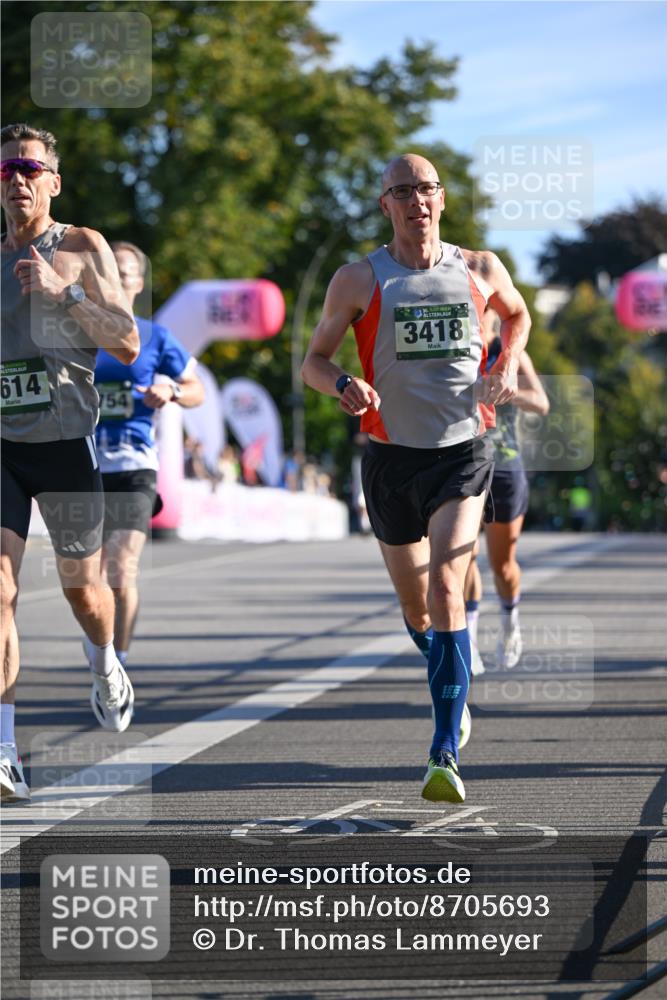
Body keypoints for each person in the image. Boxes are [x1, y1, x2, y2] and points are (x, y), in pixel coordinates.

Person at [302, 153, 530, 804]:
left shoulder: (480, 269)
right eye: (400, 192)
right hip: (388, 456)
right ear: (385, 206)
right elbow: (313, 362)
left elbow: (517, 316)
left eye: (424, 189)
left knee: (444, 591)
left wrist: (507, 361)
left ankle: (443, 751)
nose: (415, 201)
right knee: (414, 609)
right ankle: (448, 680)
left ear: (441, 198)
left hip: (463, 450)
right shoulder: (355, 279)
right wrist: (341, 382)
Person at [0, 123, 140, 801]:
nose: (17, 180)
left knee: (84, 591)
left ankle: (105, 658)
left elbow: (129, 342)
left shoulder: (81, 247)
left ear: (52, 181)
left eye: (29, 168)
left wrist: (66, 293)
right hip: (2, 447)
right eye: (6, 171)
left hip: (65, 443)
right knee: (0, 593)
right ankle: (3, 753)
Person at [92, 240, 204, 677]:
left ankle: (117, 664)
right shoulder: (78, 333)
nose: (116, 280)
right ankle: (100, 647)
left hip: (136, 467)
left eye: (124, 272)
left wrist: (172, 390)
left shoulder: (156, 337)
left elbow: (196, 390)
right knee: (88, 579)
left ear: (137, 283)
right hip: (84, 466)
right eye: (108, 272)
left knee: (121, 570)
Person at [464, 307, 550, 671]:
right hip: (461, 462)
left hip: (503, 464)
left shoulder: (511, 352)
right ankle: (465, 640)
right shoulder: (455, 351)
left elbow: (541, 402)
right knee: (462, 558)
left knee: (502, 565)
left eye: (480, 314)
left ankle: (510, 623)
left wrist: (506, 387)